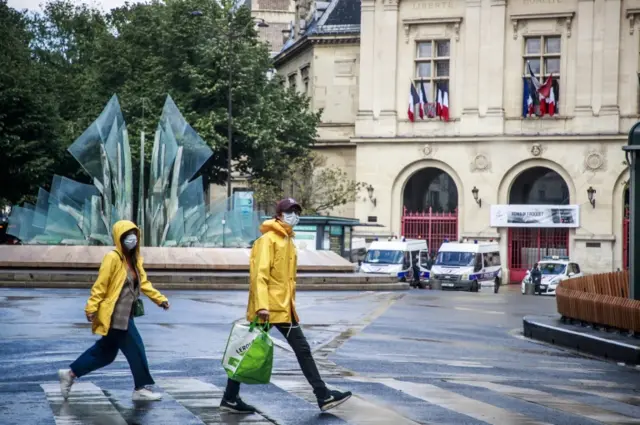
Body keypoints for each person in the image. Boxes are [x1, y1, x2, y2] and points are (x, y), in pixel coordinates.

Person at [220, 198, 352, 414]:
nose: (295, 215)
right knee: (255, 350)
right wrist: (262, 306)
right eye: (290, 211)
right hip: (268, 310)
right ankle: (322, 394)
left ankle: (231, 397)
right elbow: (259, 275)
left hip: (283, 308)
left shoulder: (288, 241)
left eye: (297, 212)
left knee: (296, 350)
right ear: (279, 215)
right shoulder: (268, 240)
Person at [57, 220, 170, 401]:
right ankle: (141, 387)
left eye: (133, 234)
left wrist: (159, 299)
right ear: (119, 238)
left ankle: (70, 374)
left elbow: (144, 283)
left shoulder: (134, 259)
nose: (131, 239)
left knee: (105, 354)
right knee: (137, 348)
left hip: (127, 314)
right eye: (126, 236)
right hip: (116, 316)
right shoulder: (112, 258)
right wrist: (91, 307)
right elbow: (101, 285)